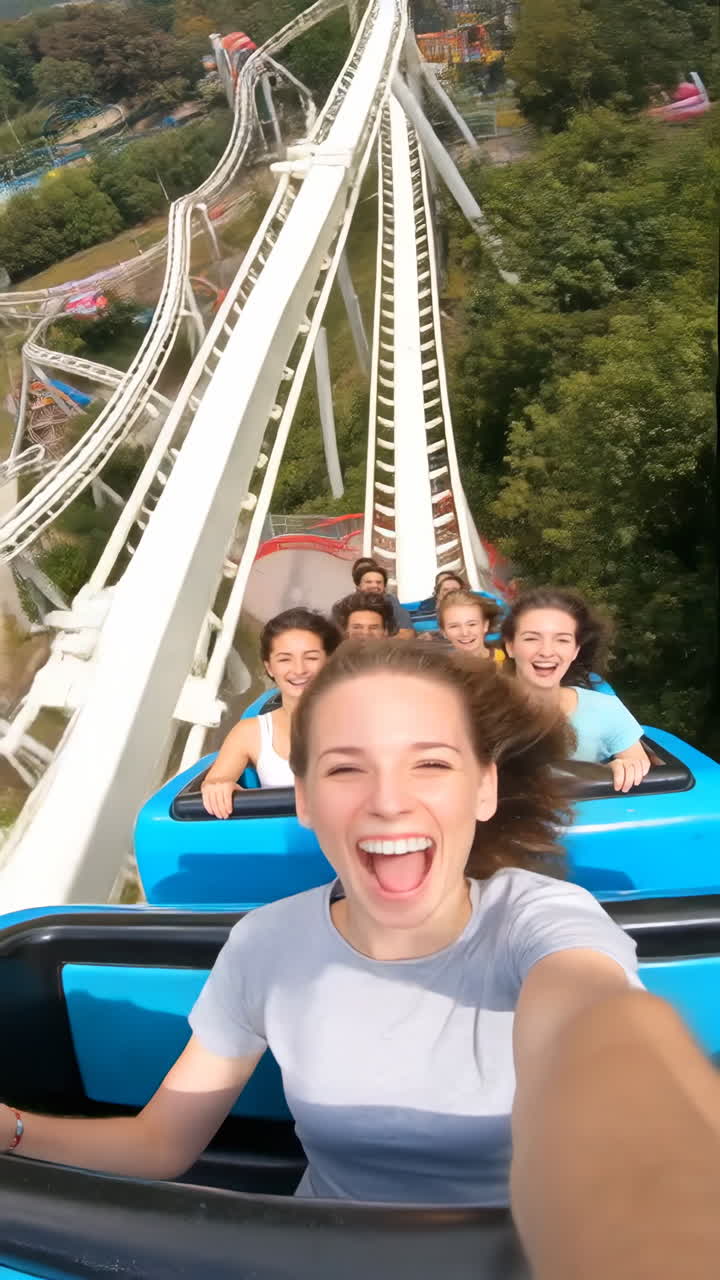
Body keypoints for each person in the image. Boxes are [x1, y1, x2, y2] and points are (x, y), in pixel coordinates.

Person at [2, 642, 697, 1209]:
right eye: (345, 769)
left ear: (484, 788)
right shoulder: (267, 944)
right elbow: (160, 1145)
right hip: (324, 1250)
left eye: (430, 764)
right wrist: (13, 1132)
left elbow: (600, 1028)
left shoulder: (541, 919)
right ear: (303, 799)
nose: (389, 802)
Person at [501, 587, 650, 793]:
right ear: (510, 646)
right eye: (532, 638)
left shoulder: (604, 708)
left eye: (562, 640)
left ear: (575, 651)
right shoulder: (480, 710)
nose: (546, 651)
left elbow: (639, 764)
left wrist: (619, 769)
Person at [201, 607, 340, 817]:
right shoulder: (250, 733)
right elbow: (216, 780)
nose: (299, 669)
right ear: (269, 668)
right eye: (285, 659)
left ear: (328, 661)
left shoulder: (363, 723)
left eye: (311, 657)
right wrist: (218, 786)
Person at [351, 558, 414, 638]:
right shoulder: (347, 604)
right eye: (368, 581)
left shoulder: (391, 601)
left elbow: (408, 633)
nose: (374, 586)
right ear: (358, 585)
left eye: (378, 582)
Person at [438, 589, 505, 663]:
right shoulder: (439, 670)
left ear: (485, 625)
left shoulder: (509, 660)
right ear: (444, 632)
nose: (465, 633)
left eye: (472, 624)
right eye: (454, 626)